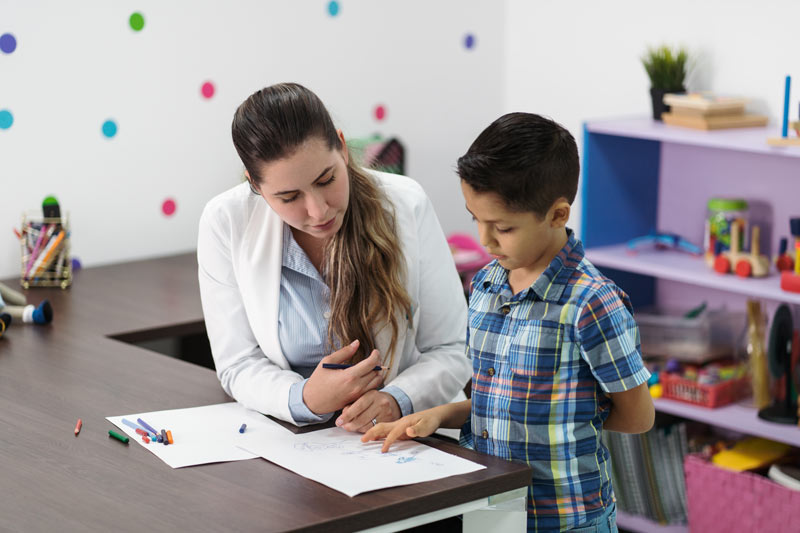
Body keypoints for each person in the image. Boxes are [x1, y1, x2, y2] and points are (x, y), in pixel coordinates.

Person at [363, 113, 655, 532]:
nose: (484, 239)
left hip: (565, 519)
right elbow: (500, 402)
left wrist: (563, 417)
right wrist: (440, 415)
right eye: (475, 219)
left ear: (557, 215)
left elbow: (638, 416)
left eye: (502, 227)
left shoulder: (593, 303)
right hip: (491, 509)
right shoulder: (485, 285)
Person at [197, 82, 471, 432]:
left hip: (399, 435)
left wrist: (397, 399)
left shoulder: (406, 203)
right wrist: (304, 399)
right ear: (255, 184)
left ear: (342, 147)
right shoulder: (225, 221)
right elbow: (238, 363)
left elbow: (451, 348)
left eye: (326, 179)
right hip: (292, 437)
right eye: (289, 196)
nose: (318, 210)